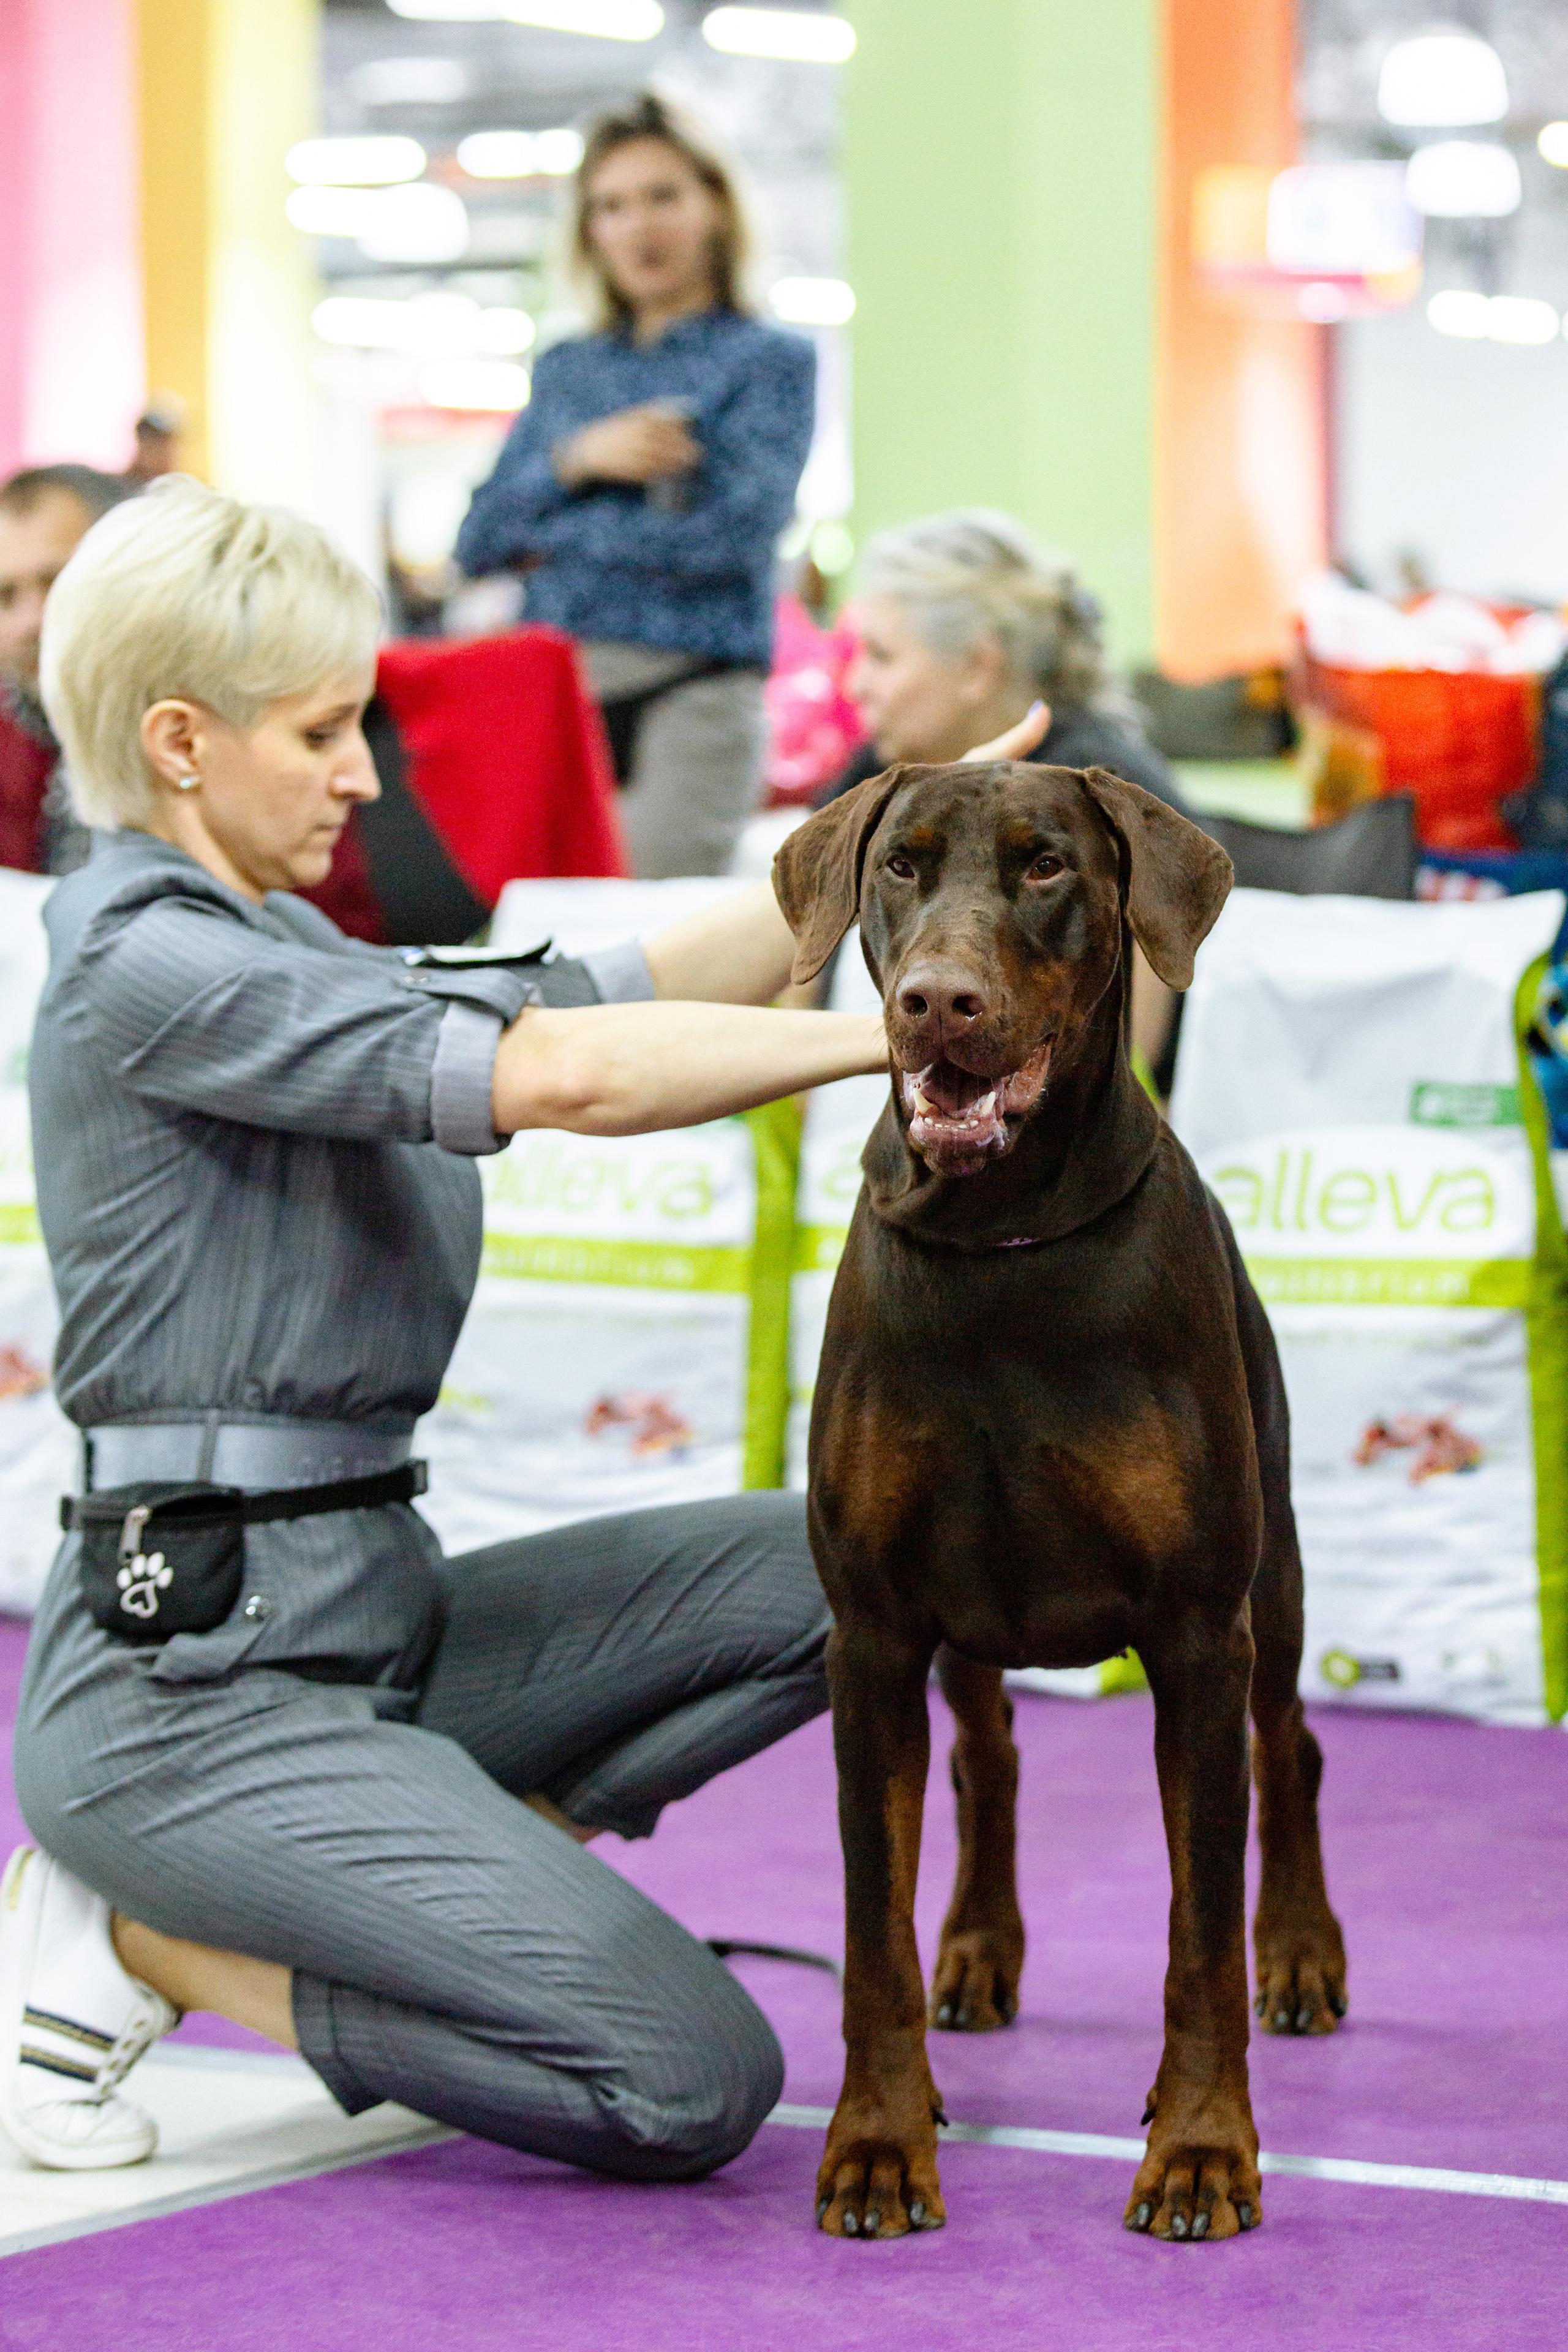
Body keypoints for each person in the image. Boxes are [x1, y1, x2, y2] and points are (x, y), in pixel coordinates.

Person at [0, 478, 1039, 2185]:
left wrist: (891, 835)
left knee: (871, 1552)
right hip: (185, 1699)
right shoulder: (144, 964)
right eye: (328, 730)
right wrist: (918, 1048)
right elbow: (563, 1071)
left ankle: (440, 1884)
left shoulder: (273, 944)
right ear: (182, 743)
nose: (361, 772)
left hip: (377, 1625)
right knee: (688, 2082)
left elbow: (634, 983)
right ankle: (147, 1941)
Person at [456, 93, 815, 882]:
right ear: (589, 229)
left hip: (691, 695)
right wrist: (578, 459)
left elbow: (733, 539)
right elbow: (478, 539)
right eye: (612, 206)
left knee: (653, 942)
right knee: (535, 928)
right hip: (554, 697)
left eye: (663, 196)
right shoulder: (568, 369)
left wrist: (552, 535)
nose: (639, 226)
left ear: (713, 207)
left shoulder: (769, 361)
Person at [819, 508, 1197, 1068]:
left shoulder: (1102, 795)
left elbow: (1128, 1065)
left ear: (977, 666)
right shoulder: (879, 774)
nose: (856, 685)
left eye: (881, 657)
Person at [0, 464, 137, 874]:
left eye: (55, 582)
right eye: (5, 596)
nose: (29, 622)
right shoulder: (11, 736)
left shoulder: (215, 732)